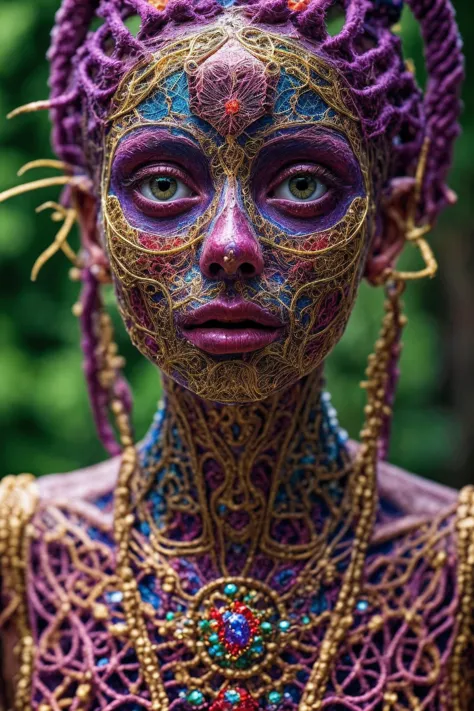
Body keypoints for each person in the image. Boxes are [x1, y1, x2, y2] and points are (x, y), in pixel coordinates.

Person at [0, 0, 472, 708]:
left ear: (387, 230)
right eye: (163, 186)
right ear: (90, 227)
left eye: (301, 185)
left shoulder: (455, 576)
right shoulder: (21, 560)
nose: (229, 248)